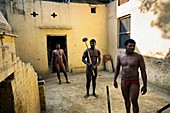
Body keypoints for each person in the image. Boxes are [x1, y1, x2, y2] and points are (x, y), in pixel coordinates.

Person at [113, 39, 147, 113]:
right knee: (126, 99)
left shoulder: (138, 57)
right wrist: (114, 80)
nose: (132, 47)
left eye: (133, 46)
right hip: (124, 80)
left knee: (134, 100)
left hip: (134, 80)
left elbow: (143, 71)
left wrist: (145, 85)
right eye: (130, 46)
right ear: (125, 46)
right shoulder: (120, 56)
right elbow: (117, 68)